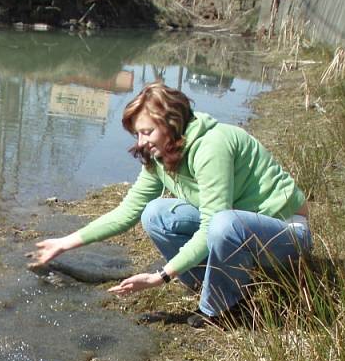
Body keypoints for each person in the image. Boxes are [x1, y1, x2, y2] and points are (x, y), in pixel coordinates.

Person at [29, 82, 312, 328]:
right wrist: (64, 243)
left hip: (285, 234)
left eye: (147, 132)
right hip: (237, 230)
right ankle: (208, 283)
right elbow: (128, 212)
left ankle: (223, 310)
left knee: (222, 224)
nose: (141, 142)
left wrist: (161, 276)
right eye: (137, 134)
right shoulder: (161, 156)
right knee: (155, 214)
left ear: (171, 123)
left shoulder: (212, 146)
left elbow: (213, 223)